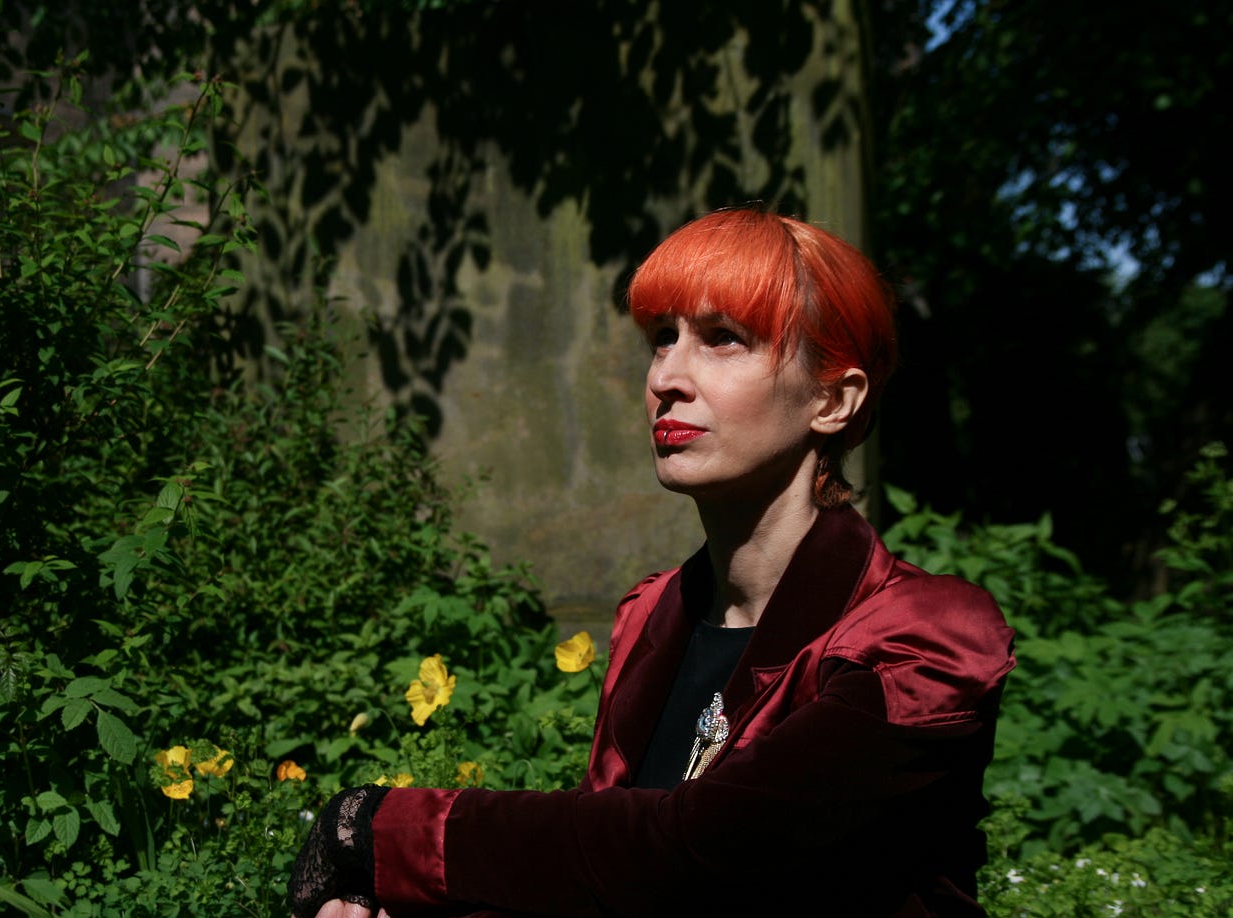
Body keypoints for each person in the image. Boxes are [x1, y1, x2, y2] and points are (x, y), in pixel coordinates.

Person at [288, 207, 1016, 917]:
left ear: (832, 399)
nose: (669, 375)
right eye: (663, 338)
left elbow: (700, 854)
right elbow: (601, 875)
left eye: (724, 339)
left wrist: (375, 828)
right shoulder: (651, 615)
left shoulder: (925, 640)